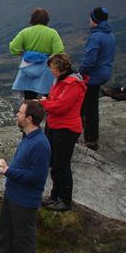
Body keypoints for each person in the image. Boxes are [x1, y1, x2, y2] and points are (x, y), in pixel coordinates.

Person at [0, 101, 51, 253]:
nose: (17, 115)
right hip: (12, 194)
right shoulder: (28, 138)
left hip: (25, 199)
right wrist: (9, 169)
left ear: (29, 119)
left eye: (20, 113)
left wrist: (8, 171)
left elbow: (37, 177)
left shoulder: (41, 145)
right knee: (5, 231)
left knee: (24, 238)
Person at [40, 53, 87, 212]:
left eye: (52, 68)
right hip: (55, 125)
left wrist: (45, 102)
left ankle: (65, 200)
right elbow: (54, 101)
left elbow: (60, 107)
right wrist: (49, 101)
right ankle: (55, 196)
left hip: (66, 128)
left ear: (60, 68)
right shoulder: (60, 81)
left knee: (62, 164)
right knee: (54, 162)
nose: (51, 71)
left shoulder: (73, 83)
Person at [79, 7, 116, 150]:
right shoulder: (110, 34)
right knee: (87, 105)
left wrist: (80, 74)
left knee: (89, 107)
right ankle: (85, 136)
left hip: (92, 76)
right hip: (104, 73)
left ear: (94, 20)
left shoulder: (96, 37)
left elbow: (89, 60)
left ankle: (90, 139)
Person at [9, 8, 65, 100]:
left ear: (32, 19)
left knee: (29, 98)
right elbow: (59, 51)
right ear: (47, 20)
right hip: (45, 69)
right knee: (47, 96)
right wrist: (49, 59)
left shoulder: (25, 32)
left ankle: (30, 113)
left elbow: (13, 48)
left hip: (27, 67)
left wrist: (24, 54)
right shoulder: (52, 33)